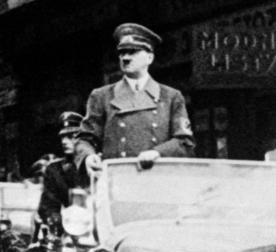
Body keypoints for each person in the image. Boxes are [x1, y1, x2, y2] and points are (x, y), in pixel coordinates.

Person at [82, 23, 194, 161]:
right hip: (118, 176)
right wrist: (89, 156)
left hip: (157, 176)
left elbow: (185, 142)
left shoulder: (171, 96)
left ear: (150, 58)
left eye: (133, 51)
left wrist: (157, 153)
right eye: (122, 52)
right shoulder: (101, 96)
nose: (125, 58)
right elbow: (85, 139)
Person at [38, 112, 94, 235]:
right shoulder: (54, 170)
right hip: (70, 229)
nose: (64, 141)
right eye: (62, 137)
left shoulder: (98, 165)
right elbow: (49, 206)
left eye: (71, 136)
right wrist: (58, 225)